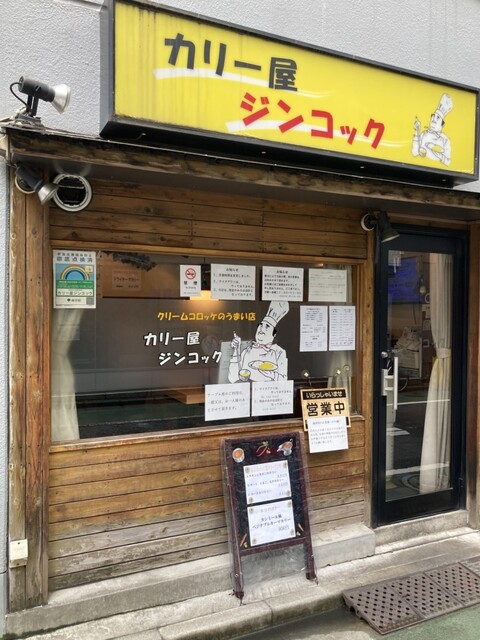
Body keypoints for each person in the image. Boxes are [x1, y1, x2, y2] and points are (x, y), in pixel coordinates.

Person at [228, 301, 289, 382]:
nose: (261, 329)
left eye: (267, 326)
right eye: (260, 325)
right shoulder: (247, 350)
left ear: (274, 335)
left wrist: (272, 374)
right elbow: (232, 378)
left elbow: (284, 380)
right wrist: (236, 349)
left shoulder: (279, 352)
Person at [412, 93, 453, 166]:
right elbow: (414, 153)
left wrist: (427, 151)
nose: (434, 120)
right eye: (433, 116)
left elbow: (448, 162)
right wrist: (417, 130)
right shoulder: (424, 134)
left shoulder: (445, 140)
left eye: (438, 118)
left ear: (442, 124)